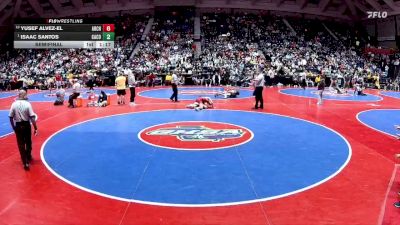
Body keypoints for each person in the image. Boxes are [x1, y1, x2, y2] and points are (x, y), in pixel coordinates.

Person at [8, 90, 38, 171]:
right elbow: (32, 117)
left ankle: (25, 162)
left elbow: (10, 116)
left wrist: (14, 127)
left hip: (18, 125)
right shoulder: (28, 104)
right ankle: (28, 155)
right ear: (24, 95)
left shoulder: (13, 104)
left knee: (21, 144)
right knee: (28, 142)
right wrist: (35, 127)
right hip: (26, 125)